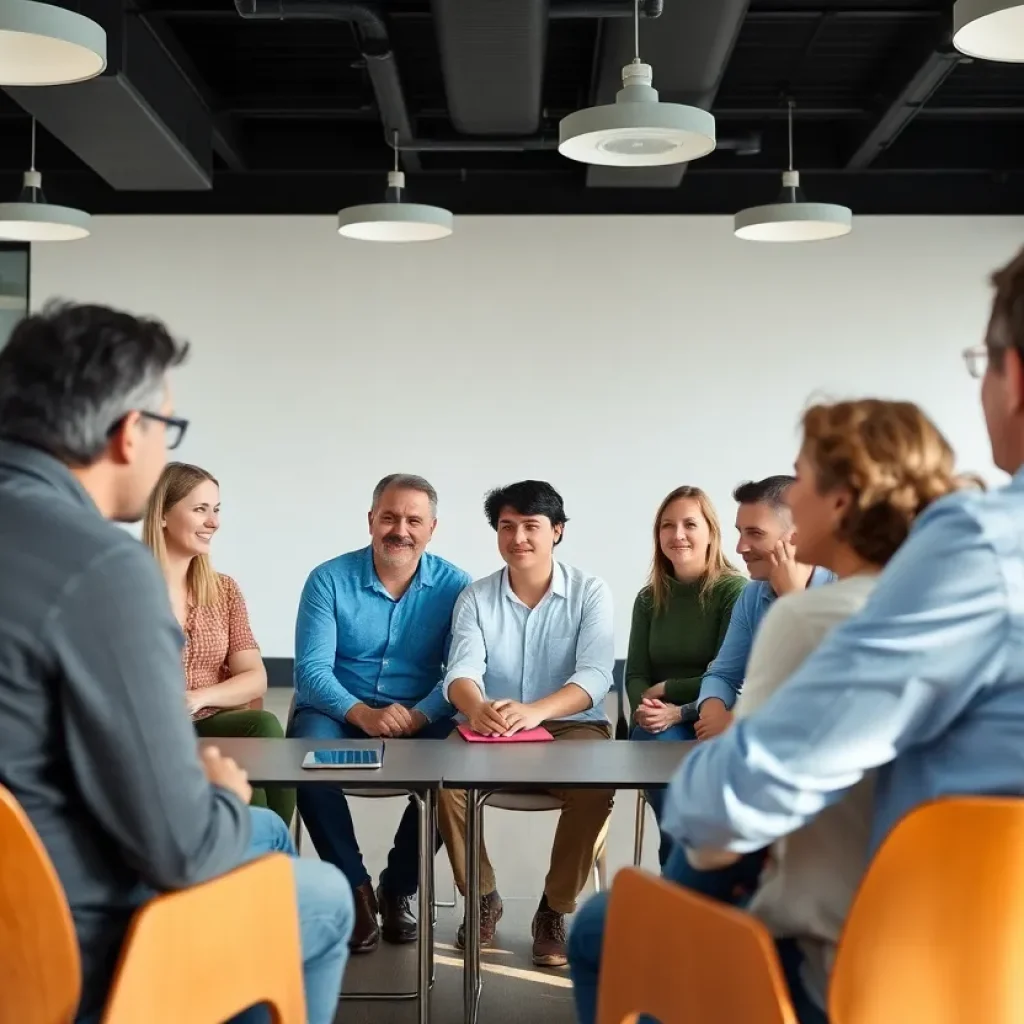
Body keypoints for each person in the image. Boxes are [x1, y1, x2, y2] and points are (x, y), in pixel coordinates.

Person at [652, 245, 1024, 1022]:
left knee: (634, 923)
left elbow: (753, 788)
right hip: (988, 964)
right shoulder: (769, 602)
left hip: (911, 969)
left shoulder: (982, 548)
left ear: (1012, 376)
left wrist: (693, 781)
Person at [0, 302, 351, 1024]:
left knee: (268, 836)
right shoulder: (99, 568)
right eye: (168, 427)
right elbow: (178, 848)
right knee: (321, 899)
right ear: (131, 434)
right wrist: (221, 791)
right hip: (57, 934)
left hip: (29, 865)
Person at [567, 398, 962, 1024]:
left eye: (801, 478)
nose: (790, 498)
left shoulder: (808, 617)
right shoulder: (956, 612)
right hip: (957, 958)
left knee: (597, 928)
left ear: (840, 501)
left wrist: (718, 740)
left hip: (831, 962)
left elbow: (717, 818)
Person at [290, 473, 471, 954]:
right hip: (336, 710)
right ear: (371, 520)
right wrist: (361, 714)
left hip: (421, 713)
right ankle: (355, 887)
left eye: (414, 520)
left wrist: (420, 715)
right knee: (307, 760)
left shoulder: (457, 586)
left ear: (433, 528)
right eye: (389, 517)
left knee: (454, 773)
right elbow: (311, 671)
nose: (400, 529)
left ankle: (399, 886)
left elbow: (461, 671)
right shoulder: (327, 579)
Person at [437, 480, 615, 968]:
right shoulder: (475, 597)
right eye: (507, 527)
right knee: (443, 782)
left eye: (531, 526)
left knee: (596, 789)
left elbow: (597, 676)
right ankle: (483, 897)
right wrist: (475, 707)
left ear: (556, 531)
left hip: (570, 724)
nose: (518, 538)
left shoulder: (590, 592)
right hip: (491, 724)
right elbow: (462, 671)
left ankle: (553, 910)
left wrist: (537, 710)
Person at [142, 461, 295, 827]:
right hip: (151, 731)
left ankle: (273, 854)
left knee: (266, 726)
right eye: (200, 510)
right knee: (250, 791)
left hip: (207, 721)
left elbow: (255, 678)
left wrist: (199, 697)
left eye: (216, 509)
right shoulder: (127, 588)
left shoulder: (224, 590)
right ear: (162, 515)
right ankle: (263, 860)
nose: (214, 522)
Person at [626, 485, 746, 865]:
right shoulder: (649, 598)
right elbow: (635, 673)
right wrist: (648, 707)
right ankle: (680, 862)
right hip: (658, 722)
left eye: (689, 524)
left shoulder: (734, 591)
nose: (677, 535)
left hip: (713, 715)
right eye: (667, 526)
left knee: (685, 768)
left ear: (711, 532)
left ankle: (681, 867)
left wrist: (675, 696)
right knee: (659, 745)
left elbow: (728, 671)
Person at [695, 476, 835, 741]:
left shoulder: (844, 589)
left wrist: (792, 601)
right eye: (740, 532)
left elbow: (827, 687)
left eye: (755, 533)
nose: (740, 548)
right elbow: (723, 674)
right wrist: (713, 710)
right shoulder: (753, 595)